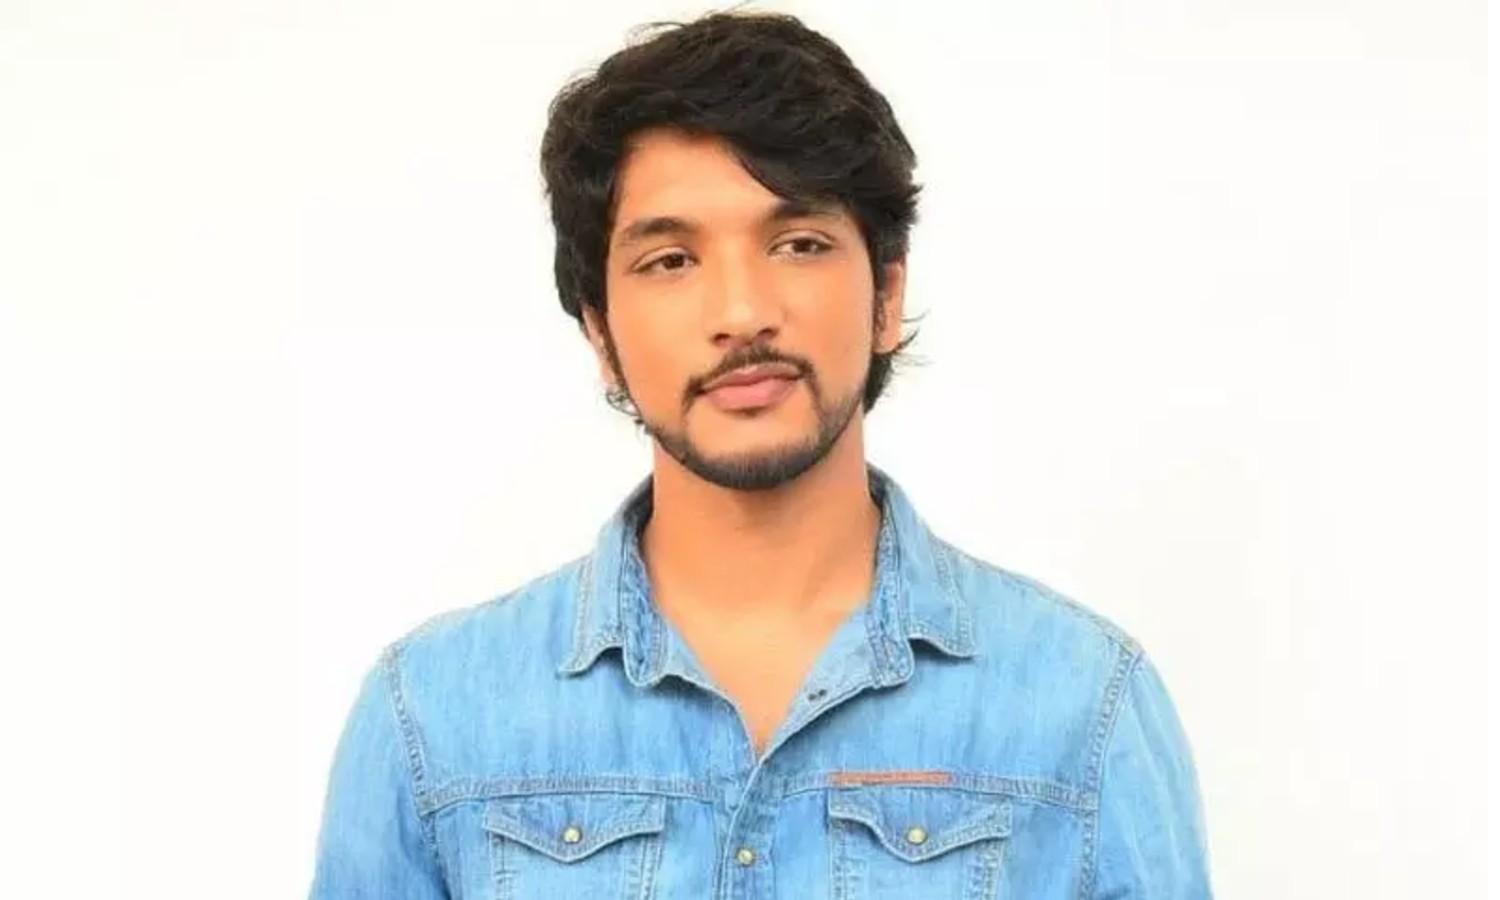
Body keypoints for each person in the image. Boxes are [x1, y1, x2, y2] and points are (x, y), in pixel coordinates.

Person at [308, 11, 1211, 898]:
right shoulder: (432, 717)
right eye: (670, 260)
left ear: (886, 296)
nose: (742, 312)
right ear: (601, 335)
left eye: (799, 244)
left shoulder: (1084, 705)